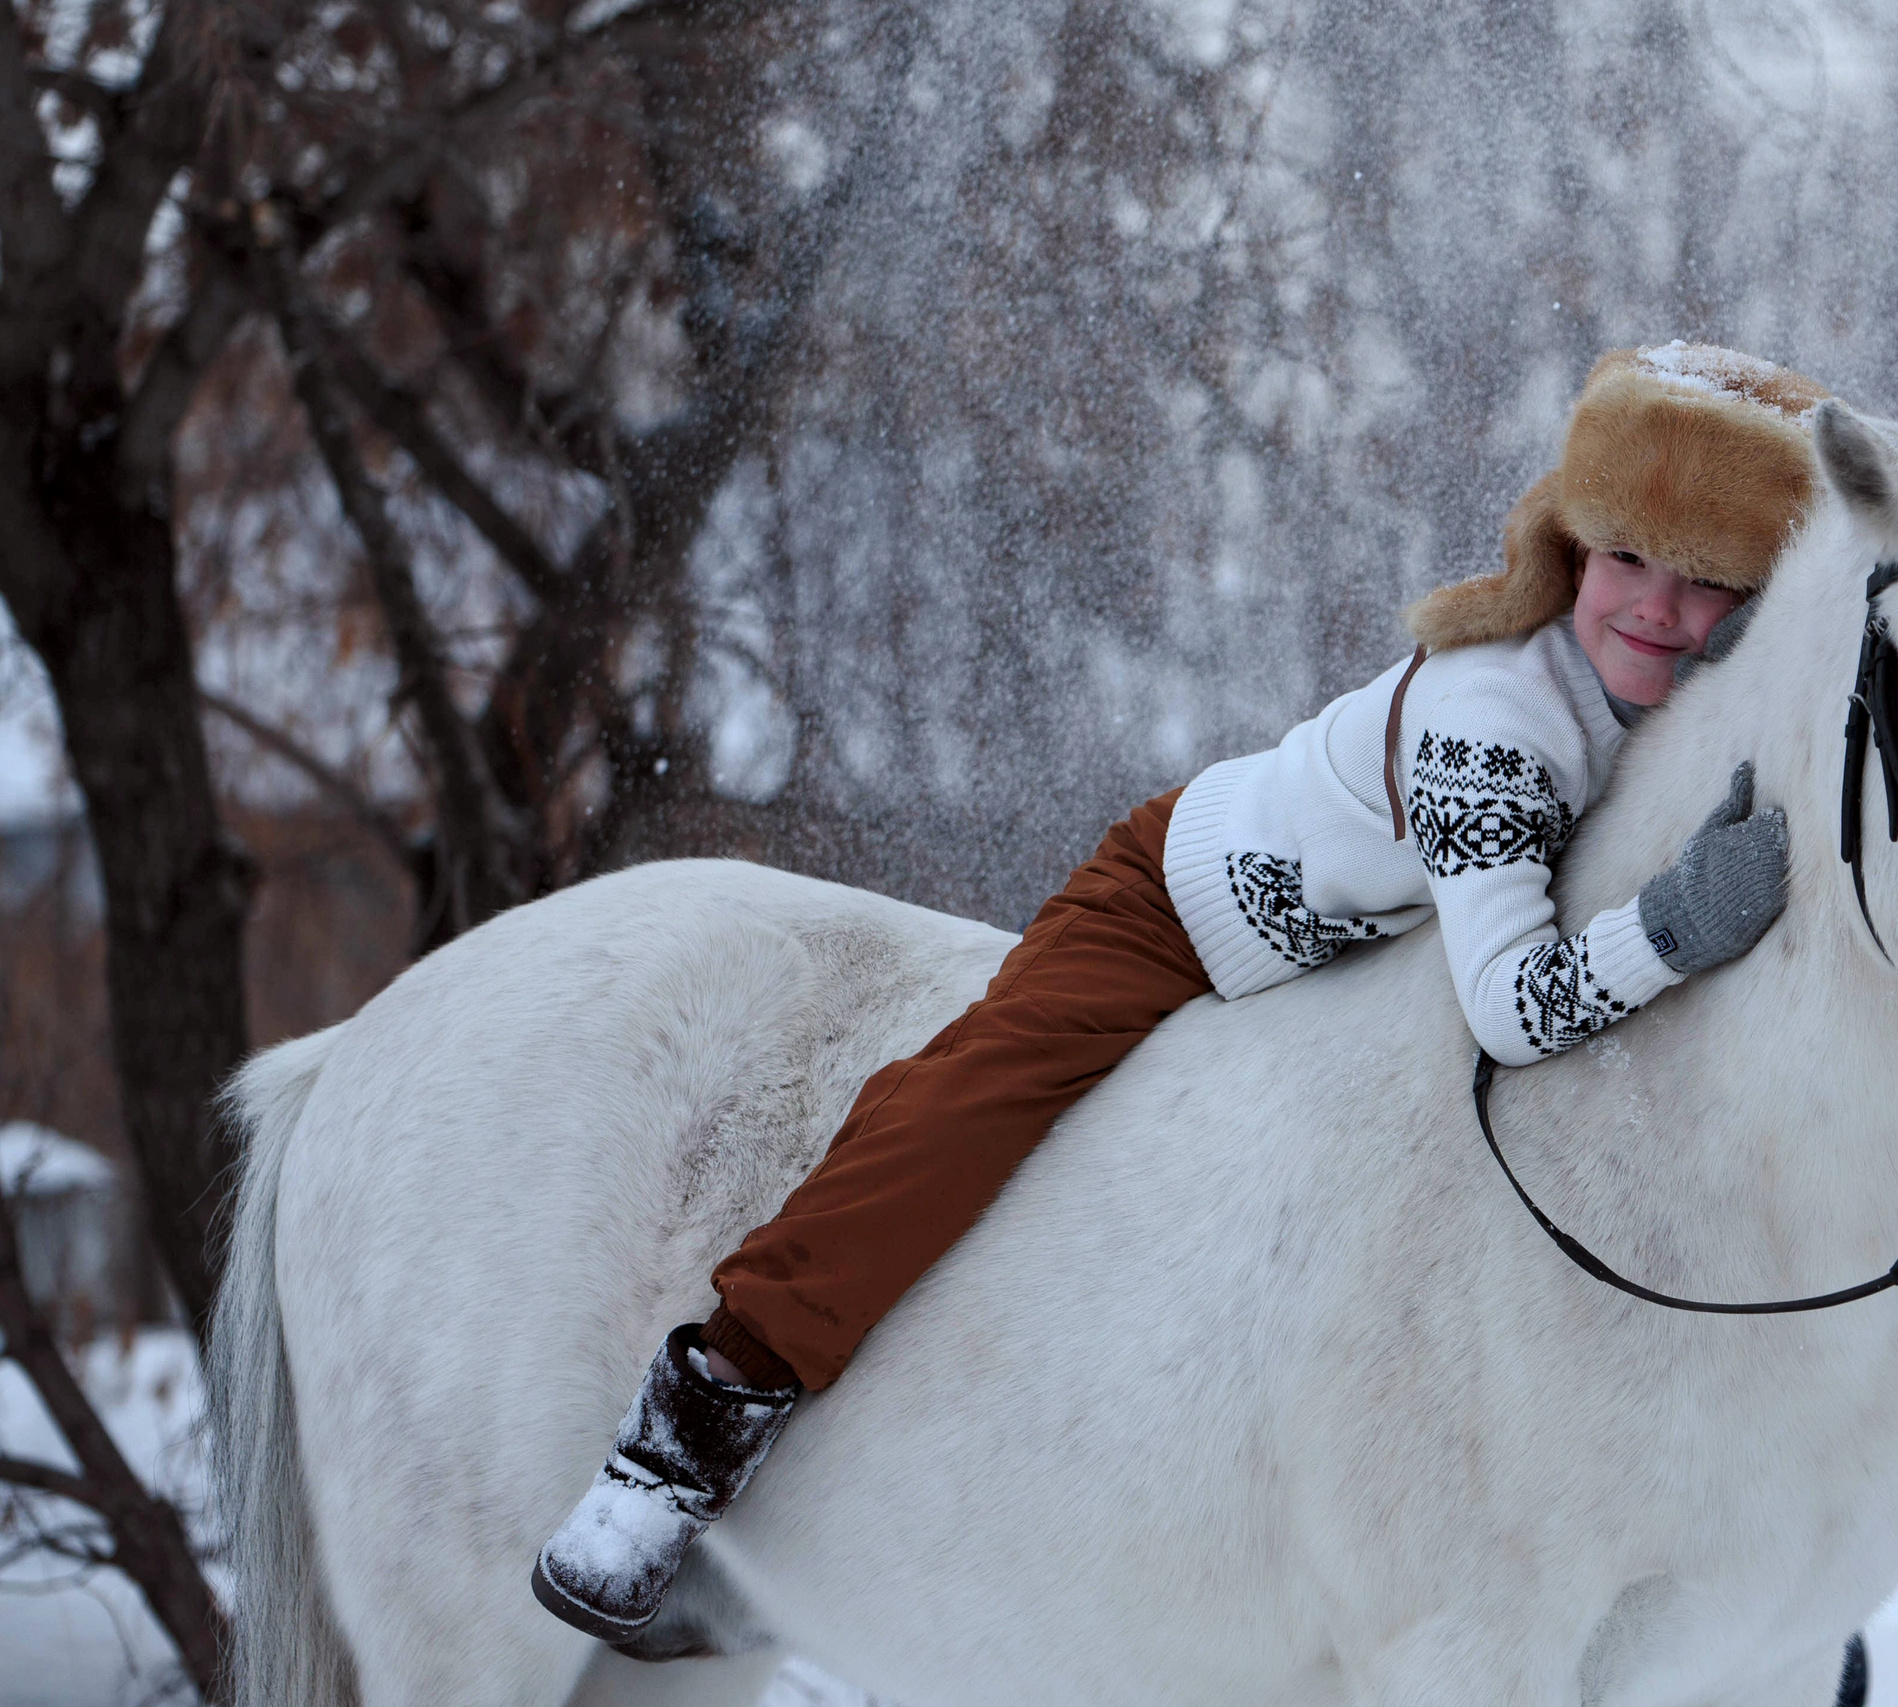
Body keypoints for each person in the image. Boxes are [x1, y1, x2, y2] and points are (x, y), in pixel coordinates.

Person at [532, 342, 1831, 1645]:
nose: (1656, 608)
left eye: (1707, 579)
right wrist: (1670, 930)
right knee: (966, 1105)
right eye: (1627, 562)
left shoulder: (1691, 711)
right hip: (1179, 911)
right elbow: (1515, 1005)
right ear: (1569, 550)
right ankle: (695, 1430)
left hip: (1363, 967)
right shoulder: (1500, 719)